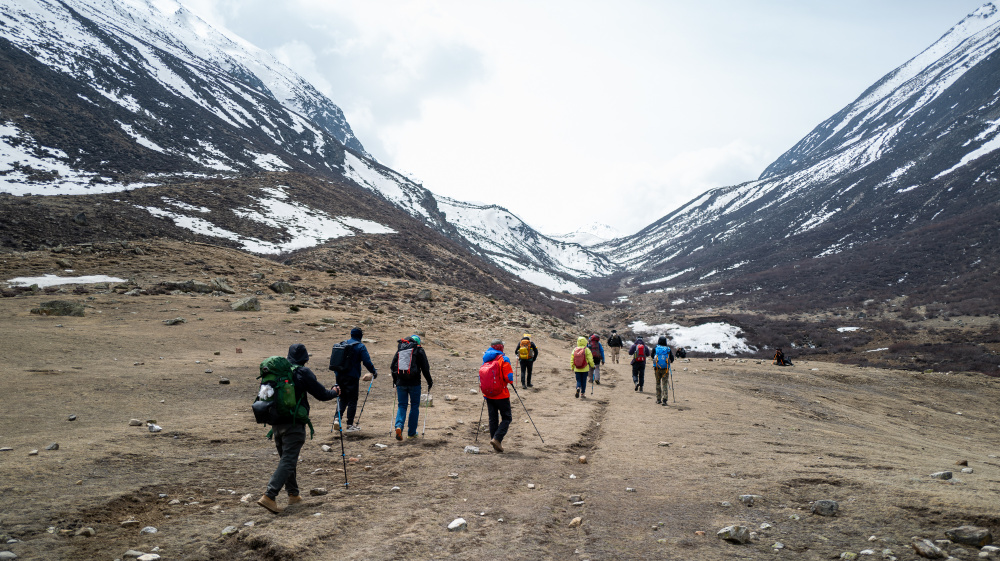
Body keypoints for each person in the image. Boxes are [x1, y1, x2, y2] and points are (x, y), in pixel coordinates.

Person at [258, 343, 340, 514]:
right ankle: (269, 496)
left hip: (276, 422)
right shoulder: (302, 372)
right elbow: (322, 395)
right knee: (288, 460)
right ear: (305, 358)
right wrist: (335, 392)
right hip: (294, 423)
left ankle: (293, 495)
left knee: (287, 460)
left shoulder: (278, 373)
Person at [333, 327, 377, 432]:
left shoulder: (343, 344)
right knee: (352, 399)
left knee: (342, 398)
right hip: (352, 376)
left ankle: (336, 419)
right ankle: (349, 425)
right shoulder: (360, 346)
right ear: (360, 336)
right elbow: (367, 361)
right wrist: (373, 372)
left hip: (339, 375)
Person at [390, 335, 433, 440]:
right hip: (415, 383)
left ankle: (399, 426)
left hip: (401, 383)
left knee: (402, 405)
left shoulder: (401, 349)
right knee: (414, 406)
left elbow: (392, 366)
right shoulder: (419, 350)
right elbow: (425, 368)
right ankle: (411, 433)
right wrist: (429, 382)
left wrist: (395, 381)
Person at [482, 339, 515, 453]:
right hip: (501, 394)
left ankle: (495, 442)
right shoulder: (503, 359)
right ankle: (497, 439)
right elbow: (509, 377)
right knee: (507, 417)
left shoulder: (486, 358)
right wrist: (510, 381)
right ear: (501, 347)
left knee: (493, 419)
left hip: (488, 394)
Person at [652, 336, 675, 405]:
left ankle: (658, 399)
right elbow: (672, 359)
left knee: (658, 383)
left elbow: (652, 356)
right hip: (665, 369)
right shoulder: (668, 349)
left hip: (657, 368)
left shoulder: (655, 348)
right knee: (664, 383)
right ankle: (665, 400)